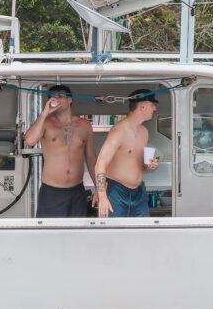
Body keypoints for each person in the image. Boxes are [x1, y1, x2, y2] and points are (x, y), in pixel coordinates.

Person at [24, 85, 97, 218]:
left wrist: (98, 188)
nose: (55, 98)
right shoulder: (46, 123)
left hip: (77, 190)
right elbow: (29, 140)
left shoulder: (84, 125)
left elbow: (91, 158)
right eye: (52, 95)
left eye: (60, 95)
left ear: (70, 100)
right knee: (49, 235)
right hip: (52, 192)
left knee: (77, 234)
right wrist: (45, 112)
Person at [94, 89, 160, 218]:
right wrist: (102, 196)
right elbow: (100, 163)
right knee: (114, 234)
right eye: (153, 105)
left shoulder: (144, 132)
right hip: (116, 191)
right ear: (143, 106)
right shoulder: (119, 131)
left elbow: (141, 165)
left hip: (139, 192)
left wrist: (151, 164)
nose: (155, 108)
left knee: (141, 234)